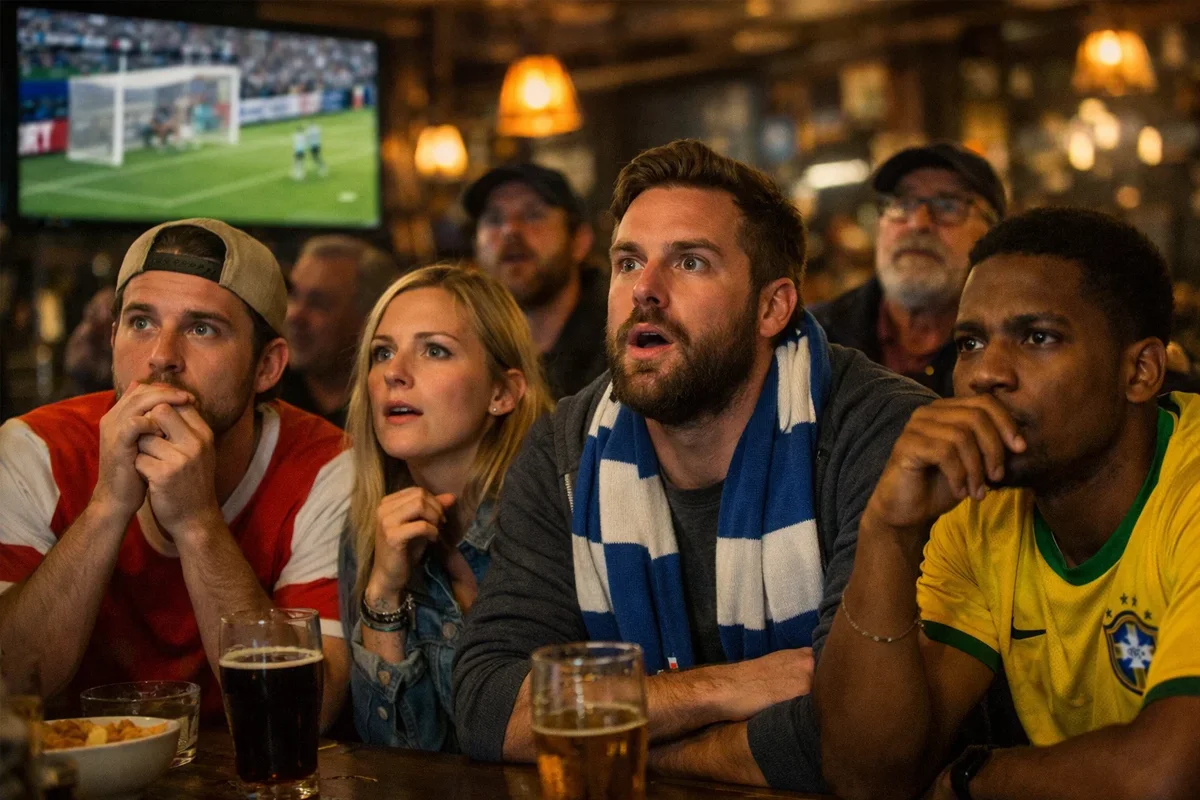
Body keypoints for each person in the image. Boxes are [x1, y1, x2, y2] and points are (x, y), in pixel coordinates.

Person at [452, 140, 935, 790]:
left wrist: (611, 740)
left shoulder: (879, 432)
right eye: (627, 263)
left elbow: (854, 736)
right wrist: (728, 690)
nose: (645, 291)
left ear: (772, 307)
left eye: (690, 262)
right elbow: (488, 705)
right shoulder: (567, 449)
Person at [816, 208, 1200, 800]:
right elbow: (866, 776)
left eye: (1038, 337)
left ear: (1141, 371)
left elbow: (1163, 779)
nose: (985, 374)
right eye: (970, 342)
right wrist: (887, 531)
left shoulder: (1190, 494)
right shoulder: (980, 511)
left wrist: (978, 779)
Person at [0, 218, 351, 729]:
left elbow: (304, 714)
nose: (162, 357)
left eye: (201, 328)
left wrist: (197, 523)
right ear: (114, 335)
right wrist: (106, 507)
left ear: (268, 367)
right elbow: (7, 687)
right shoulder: (36, 450)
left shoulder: (327, 466)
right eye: (142, 322)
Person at [338, 264, 550, 750]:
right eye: (382, 352)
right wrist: (384, 596)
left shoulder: (554, 511)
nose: (394, 372)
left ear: (502, 392)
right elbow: (393, 761)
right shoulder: (370, 529)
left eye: (434, 350)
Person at [813, 142, 1005, 396]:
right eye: (902, 204)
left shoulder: (1011, 354)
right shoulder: (813, 339)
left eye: (948, 205)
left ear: (993, 235)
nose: (917, 223)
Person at [464, 163, 606, 399]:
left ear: (579, 241)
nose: (510, 230)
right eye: (494, 218)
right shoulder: (466, 344)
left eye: (533, 215)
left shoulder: (618, 346)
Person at [283, 235, 400, 428]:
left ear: (370, 319)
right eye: (293, 295)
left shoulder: (393, 407)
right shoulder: (266, 395)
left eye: (318, 303)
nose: (294, 316)